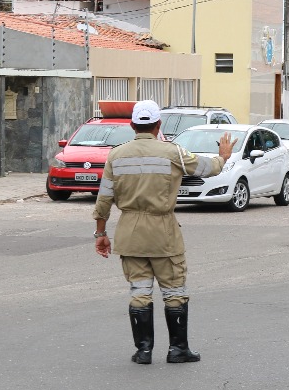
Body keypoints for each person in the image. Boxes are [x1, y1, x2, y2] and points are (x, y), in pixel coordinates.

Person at [92, 100, 233, 365]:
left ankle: (143, 351)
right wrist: (223, 156)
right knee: (174, 290)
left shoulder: (116, 155)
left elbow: (104, 198)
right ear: (159, 125)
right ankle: (178, 349)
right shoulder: (173, 153)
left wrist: (100, 233)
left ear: (133, 125)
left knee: (139, 290)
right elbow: (208, 168)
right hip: (163, 231)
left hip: (129, 232)